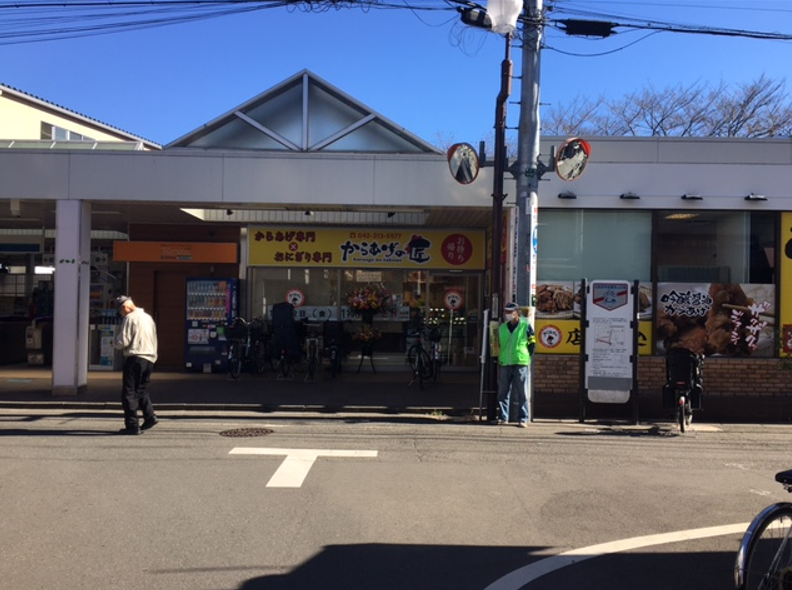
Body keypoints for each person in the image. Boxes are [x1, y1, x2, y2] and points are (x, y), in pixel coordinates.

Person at [113, 295, 159, 435]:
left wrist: (114, 343)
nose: (121, 315)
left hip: (135, 357)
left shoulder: (130, 318)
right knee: (141, 389)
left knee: (129, 392)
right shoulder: (148, 317)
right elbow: (154, 338)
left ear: (125, 307)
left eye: (120, 312)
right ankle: (150, 416)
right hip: (149, 358)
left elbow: (123, 341)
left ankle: (132, 425)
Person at [496, 302, 536, 427]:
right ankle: (503, 417)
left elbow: (532, 343)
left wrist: (526, 355)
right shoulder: (502, 328)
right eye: (507, 312)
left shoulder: (525, 326)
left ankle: (523, 418)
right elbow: (498, 344)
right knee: (503, 392)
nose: (508, 314)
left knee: (522, 392)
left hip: (520, 362)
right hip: (505, 362)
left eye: (511, 311)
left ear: (517, 312)